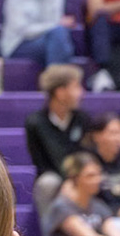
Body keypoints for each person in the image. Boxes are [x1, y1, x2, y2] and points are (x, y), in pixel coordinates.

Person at [24, 63, 89, 221]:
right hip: (54, 176)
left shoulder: (83, 119)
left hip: (80, 176)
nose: (82, 93)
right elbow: (42, 164)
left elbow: (86, 155)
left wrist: (76, 180)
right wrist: (68, 181)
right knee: (47, 183)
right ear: (60, 92)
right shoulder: (35, 123)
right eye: (76, 87)